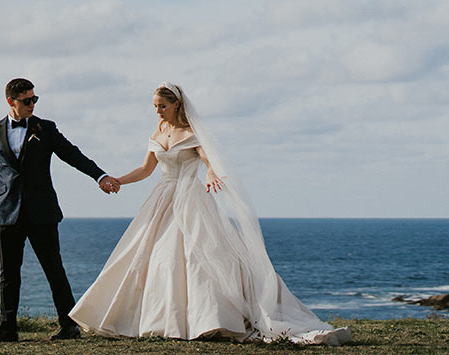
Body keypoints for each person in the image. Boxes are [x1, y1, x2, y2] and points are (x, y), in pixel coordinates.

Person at [69, 83, 351, 345]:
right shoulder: (156, 134)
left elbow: (208, 160)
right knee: (151, 255)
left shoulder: (191, 133)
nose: (157, 110)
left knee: (196, 256)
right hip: (162, 198)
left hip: (189, 197)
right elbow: (146, 170)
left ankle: (206, 318)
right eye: (155, 106)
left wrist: (211, 174)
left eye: (162, 106)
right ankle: (158, 319)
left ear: (176, 105)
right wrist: (117, 180)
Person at [0, 78, 121, 342]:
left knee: (54, 269)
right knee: (8, 274)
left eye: (35, 99)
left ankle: (69, 326)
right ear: (11, 101)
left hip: (42, 212)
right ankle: (7, 329)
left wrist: (99, 176)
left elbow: (72, 154)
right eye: (27, 101)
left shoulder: (47, 128)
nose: (32, 104)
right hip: (6, 212)